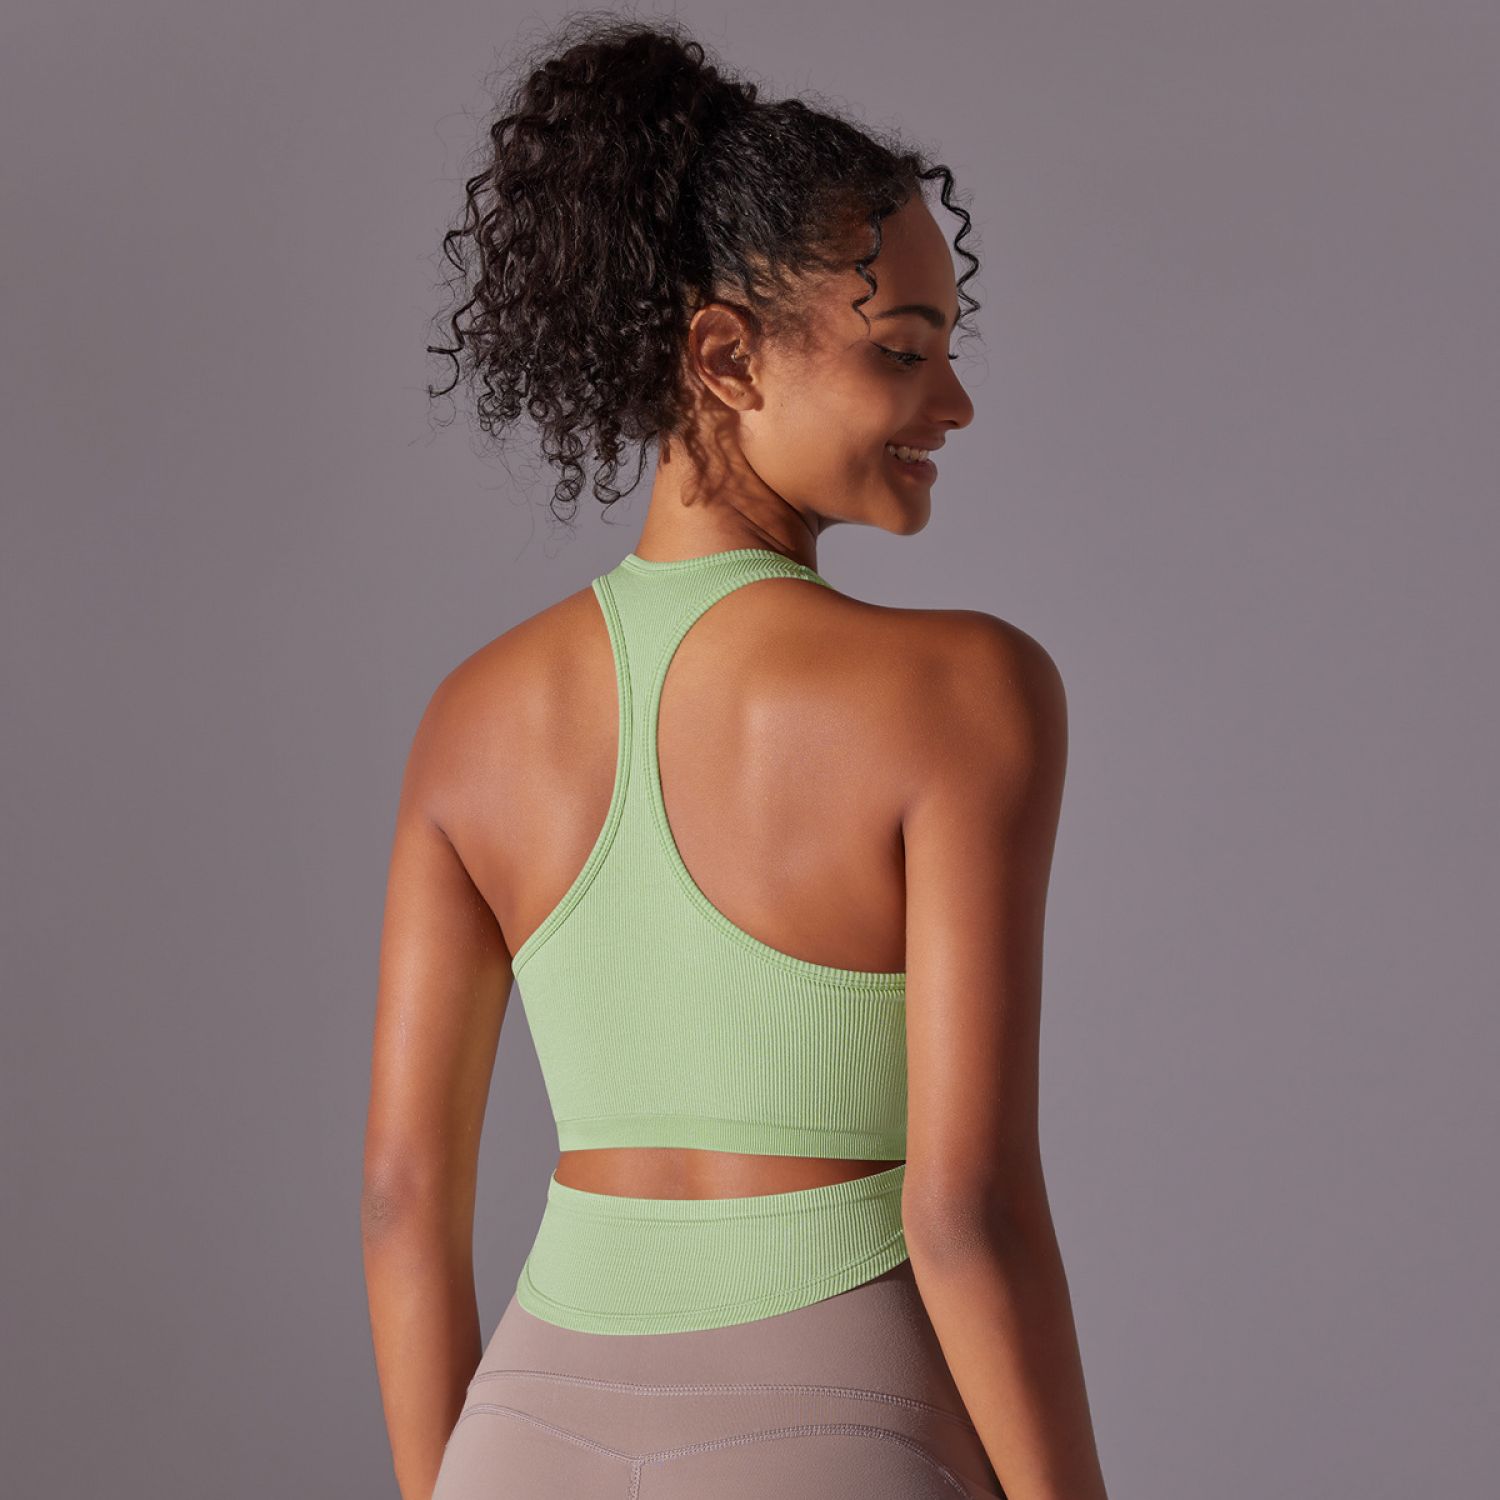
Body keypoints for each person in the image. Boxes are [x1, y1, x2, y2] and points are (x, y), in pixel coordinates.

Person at [362, 14, 1109, 1500]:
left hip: (519, 1442)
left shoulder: (472, 716)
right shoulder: (965, 690)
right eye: (903, 351)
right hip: (837, 1424)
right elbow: (964, 1212)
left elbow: (399, 1199)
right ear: (724, 353)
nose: (954, 402)